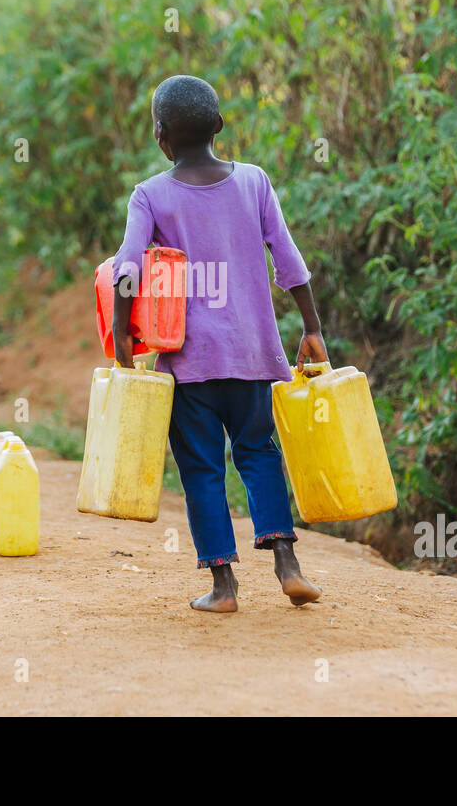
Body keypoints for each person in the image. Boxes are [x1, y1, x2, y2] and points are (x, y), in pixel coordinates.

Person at [111, 74, 326, 613]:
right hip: (253, 353)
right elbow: (289, 258)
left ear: (161, 135)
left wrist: (120, 336)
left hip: (189, 363)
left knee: (201, 468)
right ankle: (287, 563)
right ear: (220, 126)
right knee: (258, 453)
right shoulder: (254, 181)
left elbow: (127, 272)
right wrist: (313, 327)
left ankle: (224, 586)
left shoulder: (151, 196)